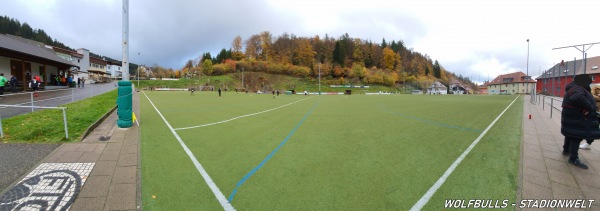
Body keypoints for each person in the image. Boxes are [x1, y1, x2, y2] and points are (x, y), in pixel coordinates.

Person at [561, 74, 600, 169]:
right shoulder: (578, 89)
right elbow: (576, 98)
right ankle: (573, 158)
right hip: (577, 117)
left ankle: (566, 150)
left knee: (570, 134)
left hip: (572, 117)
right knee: (576, 136)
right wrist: (590, 108)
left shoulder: (574, 87)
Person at [581, 84, 600, 149]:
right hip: (597, 111)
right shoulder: (596, 87)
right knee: (592, 128)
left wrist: (598, 95)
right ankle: (588, 143)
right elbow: (591, 96)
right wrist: (598, 96)